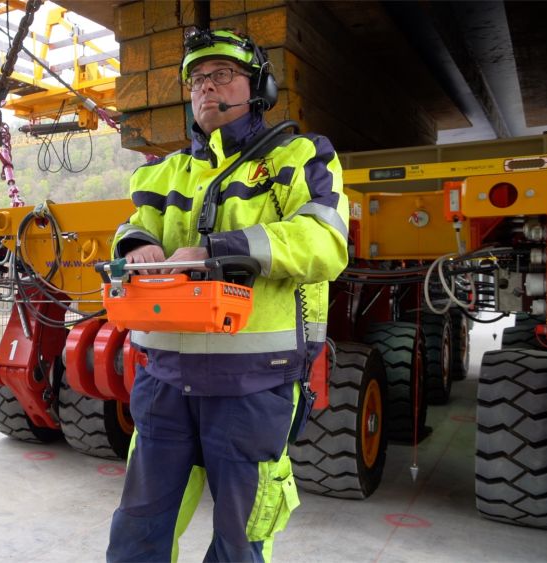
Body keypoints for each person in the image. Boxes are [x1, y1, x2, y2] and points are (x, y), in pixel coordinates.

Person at [106, 28, 349, 562]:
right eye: (197, 78)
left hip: (254, 384)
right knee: (137, 529)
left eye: (223, 75)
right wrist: (139, 245)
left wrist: (220, 250)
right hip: (163, 379)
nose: (206, 87)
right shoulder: (162, 171)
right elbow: (133, 225)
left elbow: (325, 243)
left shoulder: (301, 156)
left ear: (257, 86)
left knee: (241, 540)